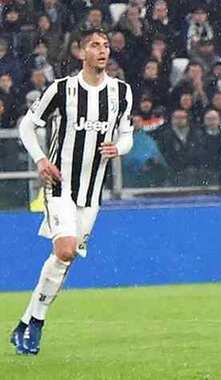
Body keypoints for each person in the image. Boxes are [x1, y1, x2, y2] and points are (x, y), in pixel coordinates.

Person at [10, 28, 134, 355]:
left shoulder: (121, 92)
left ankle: (29, 320)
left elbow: (127, 135)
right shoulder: (62, 89)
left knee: (62, 261)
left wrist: (118, 148)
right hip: (60, 186)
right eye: (95, 45)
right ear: (81, 52)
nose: (103, 51)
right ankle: (35, 323)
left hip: (92, 194)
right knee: (65, 250)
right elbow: (27, 125)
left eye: (106, 45)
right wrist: (39, 160)